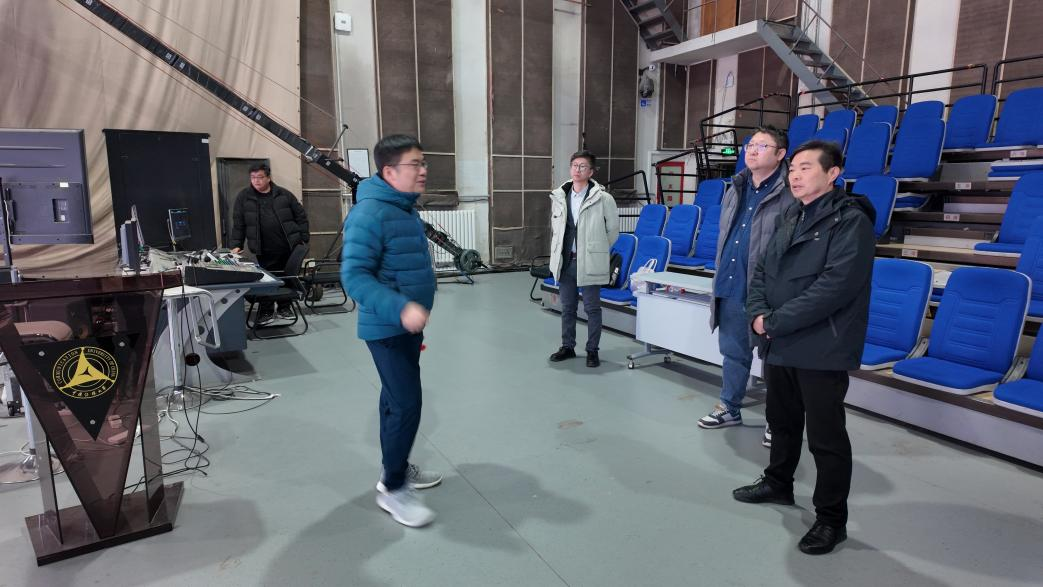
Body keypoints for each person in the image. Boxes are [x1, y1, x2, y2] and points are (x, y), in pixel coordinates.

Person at [732, 140, 876, 555]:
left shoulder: (850, 221)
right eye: (792, 168)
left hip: (821, 344)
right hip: (780, 340)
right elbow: (762, 269)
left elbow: (835, 287)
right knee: (781, 420)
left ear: (833, 174)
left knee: (826, 437)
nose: (795, 175)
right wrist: (758, 312)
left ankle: (831, 519)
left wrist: (773, 321)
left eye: (806, 168)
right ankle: (778, 482)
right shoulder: (791, 214)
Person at [340, 135, 443, 528]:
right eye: (415, 164)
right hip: (387, 327)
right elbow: (354, 276)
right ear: (389, 171)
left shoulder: (402, 207)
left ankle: (395, 466)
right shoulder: (370, 213)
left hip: (406, 327)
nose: (423, 170)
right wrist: (401, 308)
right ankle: (393, 487)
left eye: (424, 162)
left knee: (393, 399)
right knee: (406, 404)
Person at [699, 126, 794, 450]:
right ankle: (730, 407)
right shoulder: (735, 186)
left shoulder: (790, 192)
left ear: (780, 154)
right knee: (733, 353)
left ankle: (778, 421)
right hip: (730, 283)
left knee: (775, 361)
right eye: (750, 144)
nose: (752, 150)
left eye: (762, 146)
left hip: (768, 292)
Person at [547, 150, 619, 368]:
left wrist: (596, 250)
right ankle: (567, 346)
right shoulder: (560, 197)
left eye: (582, 166)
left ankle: (592, 350)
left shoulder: (603, 198)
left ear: (591, 171)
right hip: (566, 260)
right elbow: (557, 228)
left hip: (589, 261)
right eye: (574, 165)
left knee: (592, 308)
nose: (577, 170)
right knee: (567, 307)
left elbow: (613, 231)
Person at [229, 163, 309, 324]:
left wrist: (303, 238)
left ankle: (284, 308)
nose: (256, 181)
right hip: (263, 247)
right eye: (253, 177)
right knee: (266, 279)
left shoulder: (283, 194)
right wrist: (237, 244)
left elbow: (301, 216)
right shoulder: (244, 197)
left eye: (260, 177)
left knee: (286, 277)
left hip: (288, 245)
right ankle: (266, 310)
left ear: (268, 178)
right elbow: (239, 224)